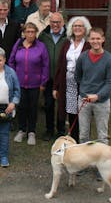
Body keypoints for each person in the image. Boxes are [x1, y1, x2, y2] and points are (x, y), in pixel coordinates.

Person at [75, 27, 111, 147]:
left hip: (102, 102)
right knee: (83, 135)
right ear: (88, 40)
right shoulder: (83, 57)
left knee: (102, 136)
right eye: (92, 38)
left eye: (98, 38)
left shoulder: (110, 59)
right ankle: (85, 160)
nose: (95, 41)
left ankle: (103, 162)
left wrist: (97, 96)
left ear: (103, 39)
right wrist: (84, 91)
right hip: (84, 100)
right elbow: (78, 76)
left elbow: (110, 83)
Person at [9, 22, 49, 146]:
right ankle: (22, 130)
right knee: (21, 107)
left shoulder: (41, 46)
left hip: (35, 84)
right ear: (24, 33)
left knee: (33, 108)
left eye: (33, 32)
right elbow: (11, 61)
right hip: (20, 83)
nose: (30, 34)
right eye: (28, 31)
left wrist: (43, 82)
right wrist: (14, 77)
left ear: (36, 33)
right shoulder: (18, 44)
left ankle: (32, 132)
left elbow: (45, 65)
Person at [53, 16, 91, 141]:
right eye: (75, 26)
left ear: (85, 29)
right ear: (71, 28)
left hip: (83, 83)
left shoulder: (88, 45)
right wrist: (56, 86)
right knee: (71, 110)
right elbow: (60, 65)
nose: (77, 28)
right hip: (67, 82)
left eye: (80, 26)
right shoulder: (66, 44)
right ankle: (73, 138)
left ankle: (83, 138)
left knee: (83, 110)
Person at [38, 12, 67, 140]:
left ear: (63, 23)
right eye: (53, 22)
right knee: (48, 105)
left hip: (63, 77)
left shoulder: (68, 37)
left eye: (58, 22)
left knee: (62, 105)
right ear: (49, 23)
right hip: (48, 76)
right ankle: (49, 130)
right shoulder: (43, 36)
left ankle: (61, 130)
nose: (55, 25)